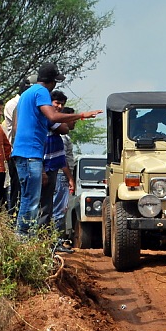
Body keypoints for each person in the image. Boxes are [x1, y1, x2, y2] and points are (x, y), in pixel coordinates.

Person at [10, 62, 101, 237]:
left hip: (22, 152)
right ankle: (23, 239)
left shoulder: (26, 95)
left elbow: (46, 123)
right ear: (52, 81)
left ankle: (23, 238)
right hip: (31, 154)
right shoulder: (41, 92)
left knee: (28, 199)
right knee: (32, 201)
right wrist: (82, 115)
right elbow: (53, 116)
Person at [3, 78, 33, 217]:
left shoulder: (26, 102)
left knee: (26, 190)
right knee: (17, 189)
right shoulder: (14, 104)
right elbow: (18, 129)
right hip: (17, 151)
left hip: (27, 152)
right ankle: (14, 219)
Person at [52, 106, 76, 243]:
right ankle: (56, 241)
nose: (74, 122)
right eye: (72, 119)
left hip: (61, 175)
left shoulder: (65, 136)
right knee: (59, 209)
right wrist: (70, 178)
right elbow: (63, 160)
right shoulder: (63, 138)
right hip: (62, 175)